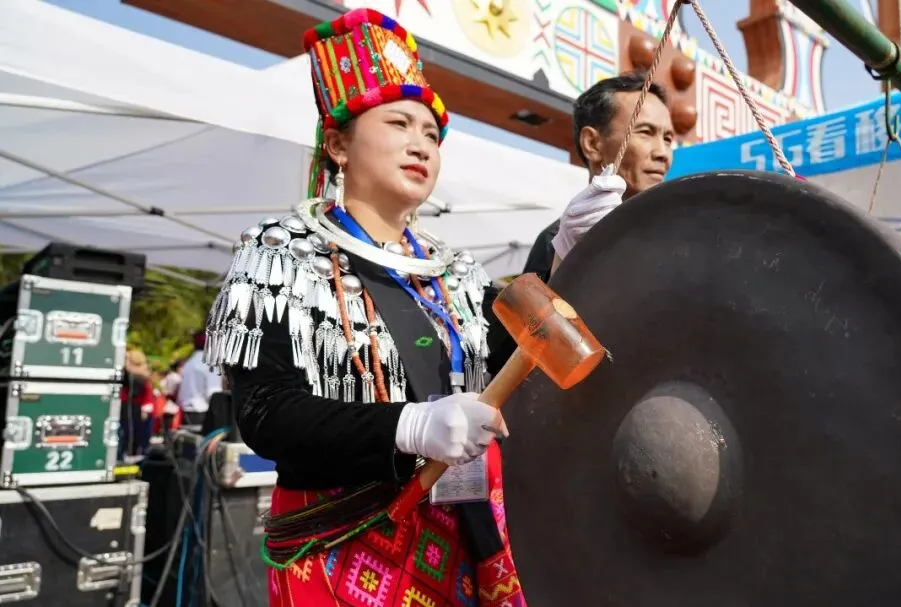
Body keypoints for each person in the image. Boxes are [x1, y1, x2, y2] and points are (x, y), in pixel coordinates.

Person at [205, 9, 525, 606]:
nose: (420, 144)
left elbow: (524, 354)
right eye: (399, 123)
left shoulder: (455, 271)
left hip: (459, 536)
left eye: (432, 135)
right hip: (341, 546)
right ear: (338, 145)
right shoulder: (280, 253)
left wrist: (573, 252)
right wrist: (408, 425)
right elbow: (267, 414)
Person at [521, 72, 675, 282]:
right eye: (646, 132)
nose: (663, 153)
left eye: (667, 139)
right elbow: (532, 304)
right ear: (592, 144)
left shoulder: (674, 237)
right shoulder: (559, 241)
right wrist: (562, 259)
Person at [176, 329, 221, 427]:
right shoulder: (209, 364)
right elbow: (214, 394)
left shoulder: (189, 363)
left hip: (186, 413)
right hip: (202, 413)